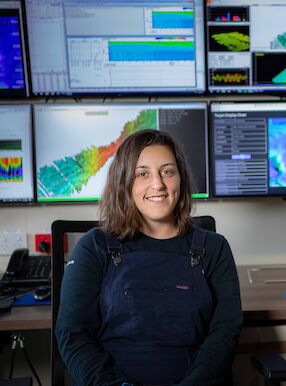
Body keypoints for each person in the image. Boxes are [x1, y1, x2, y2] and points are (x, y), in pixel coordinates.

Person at [55, 130, 242, 385]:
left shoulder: (214, 248)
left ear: (181, 179)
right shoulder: (94, 247)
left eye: (167, 171)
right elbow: (72, 334)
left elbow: (225, 332)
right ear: (124, 182)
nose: (158, 184)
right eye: (142, 173)